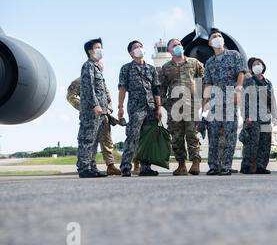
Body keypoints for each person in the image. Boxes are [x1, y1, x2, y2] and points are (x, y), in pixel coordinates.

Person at [202, 29, 247, 175]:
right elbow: (207, 84)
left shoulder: (234, 55)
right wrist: (205, 104)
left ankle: (226, 166)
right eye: (214, 37)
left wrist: (238, 90)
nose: (218, 38)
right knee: (213, 135)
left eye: (219, 36)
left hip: (231, 98)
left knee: (230, 134)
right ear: (209, 43)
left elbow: (241, 72)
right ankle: (214, 166)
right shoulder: (209, 62)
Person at [160, 38, 204, 176]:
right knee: (177, 137)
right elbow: (162, 89)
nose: (178, 46)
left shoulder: (194, 63)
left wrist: (201, 101)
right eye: (174, 45)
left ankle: (196, 163)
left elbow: (203, 80)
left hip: (191, 105)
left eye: (179, 44)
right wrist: (166, 104)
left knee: (192, 134)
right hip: (174, 108)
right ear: (169, 51)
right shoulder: (165, 68)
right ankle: (181, 165)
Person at [118, 40, 162, 177]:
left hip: (151, 107)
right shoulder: (126, 68)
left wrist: (159, 108)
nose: (139, 49)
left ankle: (145, 167)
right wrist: (120, 106)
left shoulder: (151, 69)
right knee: (133, 136)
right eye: (135, 47)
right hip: (136, 108)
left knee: (148, 138)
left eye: (140, 46)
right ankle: (126, 166)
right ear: (131, 53)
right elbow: (122, 88)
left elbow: (156, 89)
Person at [67, 67, 121, 176]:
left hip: (104, 116)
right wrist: (86, 107)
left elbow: (108, 97)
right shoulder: (79, 81)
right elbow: (70, 97)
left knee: (107, 141)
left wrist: (109, 108)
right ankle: (89, 166)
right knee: (89, 142)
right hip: (90, 116)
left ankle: (110, 166)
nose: (100, 68)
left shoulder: (101, 81)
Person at [76, 38, 109, 178]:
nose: (100, 49)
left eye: (101, 47)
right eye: (97, 47)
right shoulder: (88, 66)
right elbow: (88, 87)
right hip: (91, 110)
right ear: (90, 51)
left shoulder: (96, 67)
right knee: (87, 139)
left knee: (95, 140)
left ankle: (92, 167)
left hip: (100, 111)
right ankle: (84, 168)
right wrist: (95, 104)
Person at [240, 57, 277, 174]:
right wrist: (246, 116)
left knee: (265, 143)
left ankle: (261, 166)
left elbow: (273, 100)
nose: (257, 66)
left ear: (263, 66)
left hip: (265, 116)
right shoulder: (248, 82)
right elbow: (243, 100)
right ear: (251, 69)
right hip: (252, 116)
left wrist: (275, 115)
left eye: (258, 63)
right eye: (254, 65)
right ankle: (247, 166)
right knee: (251, 143)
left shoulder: (268, 82)